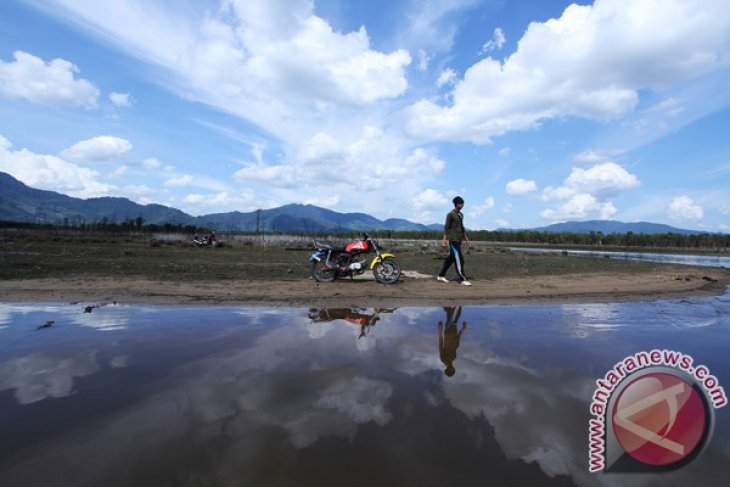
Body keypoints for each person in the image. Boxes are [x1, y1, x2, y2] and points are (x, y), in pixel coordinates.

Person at [437, 196, 472, 285]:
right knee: (459, 259)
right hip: (453, 240)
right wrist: (444, 240)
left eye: (462, 204)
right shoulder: (450, 214)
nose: (462, 205)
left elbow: (462, 228)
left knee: (451, 259)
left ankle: (441, 276)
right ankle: (463, 279)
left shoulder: (461, 215)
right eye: (460, 204)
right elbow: (446, 228)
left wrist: (467, 239)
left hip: (459, 240)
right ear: (456, 204)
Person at [438, 306, 467, 377]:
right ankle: (448, 310)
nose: (451, 367)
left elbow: (440, 345)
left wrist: (440, 331)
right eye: (452, 368)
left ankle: (449, 310)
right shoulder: (454, 357)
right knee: (453, 317)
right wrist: (462, 329)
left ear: (446, 368)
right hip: (454, 331)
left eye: (449, 368)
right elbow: (457, 343)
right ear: (454, 368)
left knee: (456, 312)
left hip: (448, 333)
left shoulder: (443, 359)